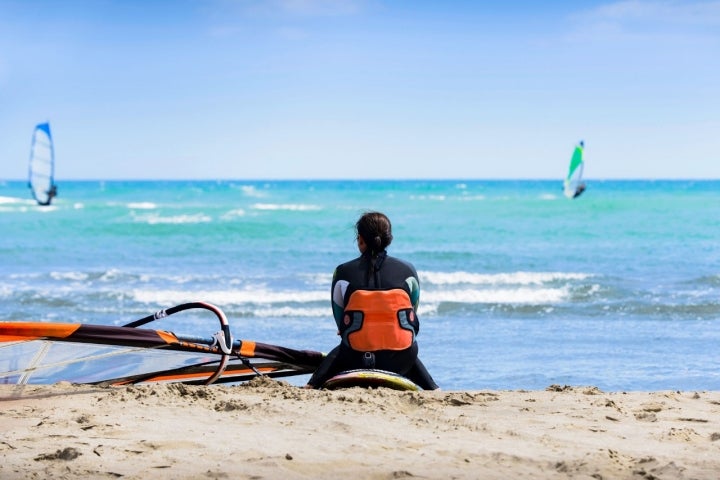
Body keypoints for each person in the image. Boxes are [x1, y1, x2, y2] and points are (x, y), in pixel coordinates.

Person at [305, 211, 439, 390]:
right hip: (401, 361)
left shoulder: (343, 272)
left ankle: (311, 386)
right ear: (389, 238)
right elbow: (412, 311)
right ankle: (434, 389)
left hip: (356, 358)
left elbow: (339, 317)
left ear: (360, 240)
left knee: (341, 350)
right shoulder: (408, 270)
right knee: (406, 348)